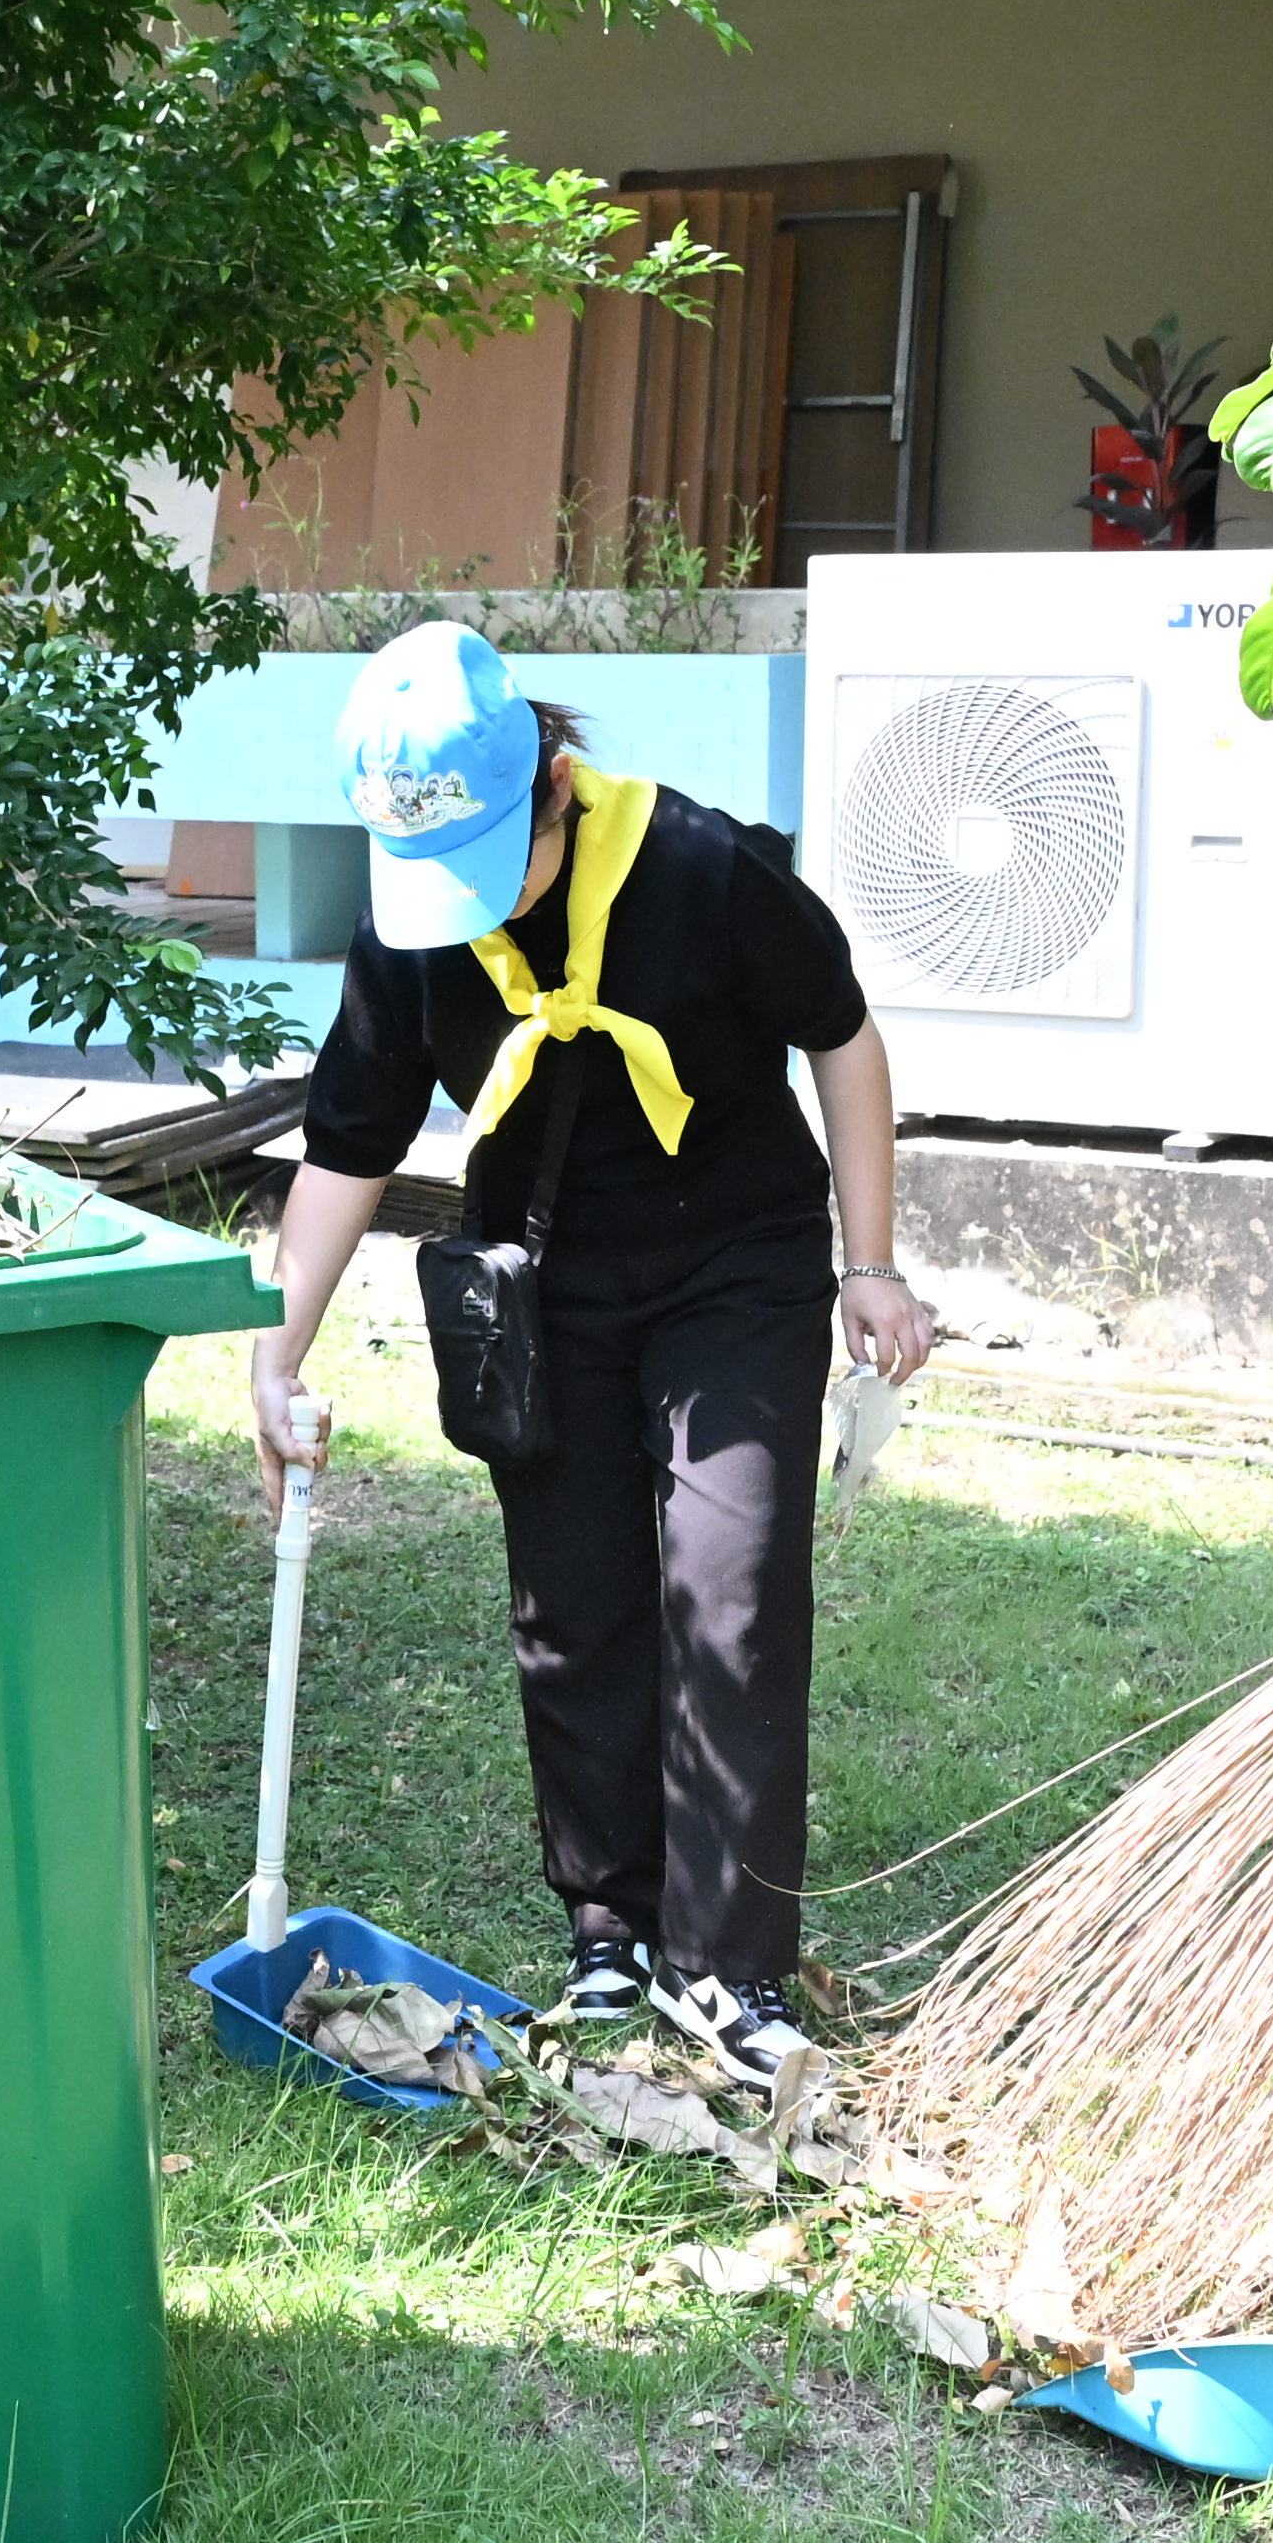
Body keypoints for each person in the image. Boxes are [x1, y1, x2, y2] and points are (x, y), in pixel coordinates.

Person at [252, 623, 937, 2094]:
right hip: (543, 1287)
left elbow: (847, 1039)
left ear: (555, 783)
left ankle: (732, 1968)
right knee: (573, 1604)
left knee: (734, 1589)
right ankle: (613, 1922)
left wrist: (867, 1265)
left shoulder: (704, 870)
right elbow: (349, 1149)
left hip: (735, 1265)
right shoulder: (411, 930)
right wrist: (276, 1353)